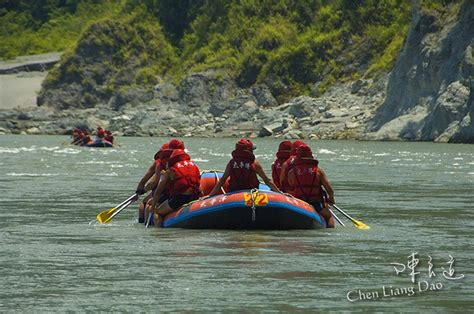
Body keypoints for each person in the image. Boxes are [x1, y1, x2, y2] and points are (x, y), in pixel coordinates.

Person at [208, 139, 281, 196]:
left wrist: (210, 195)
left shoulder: (232, 162)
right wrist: (279, 193)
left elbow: (222, 180)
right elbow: (266, 180)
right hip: (251, 193)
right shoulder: (254, 163)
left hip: (234, 193)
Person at [150, 148, 201, 227]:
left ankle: (158, 233)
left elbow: (158, 191)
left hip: (180, 198)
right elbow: (199, 186)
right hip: (195, 196)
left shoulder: (171, 170)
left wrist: (153, 207)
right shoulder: (194, 166)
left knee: (157, 212)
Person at [287, 144, 335, 227]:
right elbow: (329, 189)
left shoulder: (291, 172)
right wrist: (331, 199)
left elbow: (291, 185)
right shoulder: (318, 171)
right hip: (316, 202)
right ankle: (330, 232)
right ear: (310, 155)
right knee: (328, 216)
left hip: (299, 202)